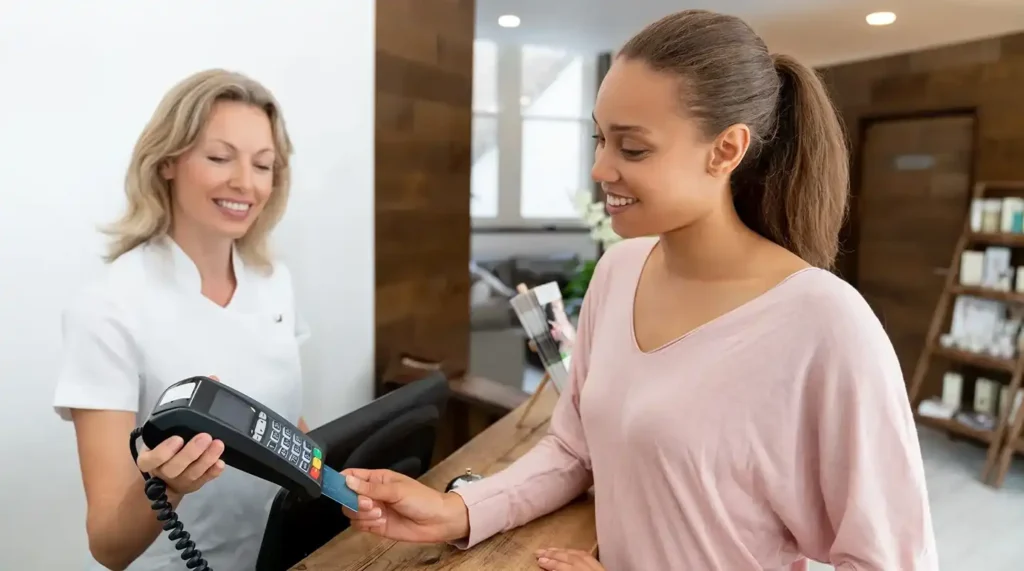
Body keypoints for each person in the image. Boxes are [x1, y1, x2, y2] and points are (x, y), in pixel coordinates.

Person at [341, 10, 938, 571]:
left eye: (633, 148)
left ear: (726, 150)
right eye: (599, 139)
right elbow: (575, 451)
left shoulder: (826, 324)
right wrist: (458, 510)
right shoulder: (619, 270)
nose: (601, 169)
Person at [52, 69, 311, 571]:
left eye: (264, 164)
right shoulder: (107, 306)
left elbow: (287, 423)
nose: (245, 183)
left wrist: (344, 479)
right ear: (168, 161)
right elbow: (107, 544)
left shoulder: (274, 279)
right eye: (219, 157)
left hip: (285, 552)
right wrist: (168, 484)